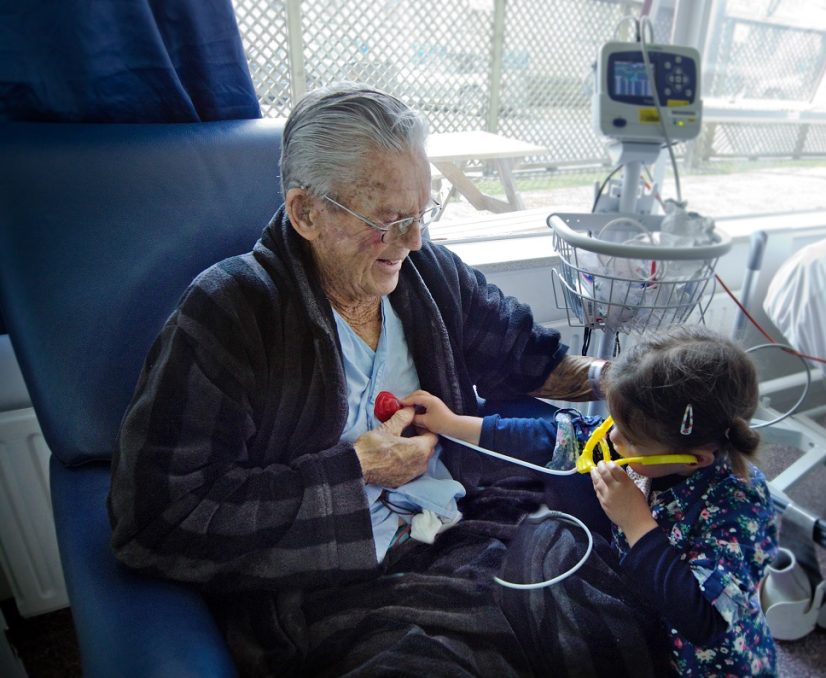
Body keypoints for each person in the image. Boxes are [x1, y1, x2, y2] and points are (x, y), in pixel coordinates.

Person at [107, 82, 662, 677]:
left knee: (616, 626)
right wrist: (356, 469)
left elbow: (534, 358)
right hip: (331, 580)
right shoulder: (231, 314)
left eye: (423, 212)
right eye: (389, 218)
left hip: (468, 528)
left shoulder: (429, 276)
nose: (414, 240)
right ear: (306, 213)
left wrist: (624, 380)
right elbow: (156, 520)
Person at [405, 325, 779, 676]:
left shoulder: (737, 505)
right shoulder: (644, 444)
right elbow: (547, 437)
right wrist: (452, 423)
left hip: (693, 662)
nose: (613, 440)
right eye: (614, 422)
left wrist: (637, 524)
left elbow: (705, 621)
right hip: (645, 612)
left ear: (694, 460)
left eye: (630, 439)